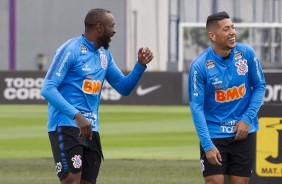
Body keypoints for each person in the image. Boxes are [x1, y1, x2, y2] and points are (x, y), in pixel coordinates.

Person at [41, 8, 154, 184]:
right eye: (112, 26)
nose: (115, 31)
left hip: (91, 128)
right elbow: (47, 88)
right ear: (99, 27)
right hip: (66, 124)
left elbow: (123, 87)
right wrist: (77, 116)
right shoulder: (71, 49)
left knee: (88, 181)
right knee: (71, 179)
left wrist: (140, 65)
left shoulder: (104, 54)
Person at [188, 11, 266, 184]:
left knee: (240, 183)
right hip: (214, 133)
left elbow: (260, 86)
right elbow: (196, 107)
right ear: (212, 36)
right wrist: (207, 145)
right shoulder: (200, 66)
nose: (232, 32)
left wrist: (247, 119)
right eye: (226, 29)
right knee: (214, 181)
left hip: (243, 131)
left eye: (233, 27)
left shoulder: (246, 53)